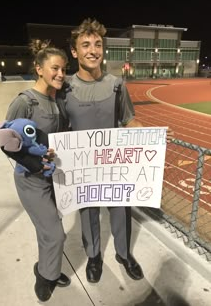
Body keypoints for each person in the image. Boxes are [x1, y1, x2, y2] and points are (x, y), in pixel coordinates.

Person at [56, 18, 174, 284]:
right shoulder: (64, 89)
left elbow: (129, 119)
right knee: (88, 214)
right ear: (74, 52)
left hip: (113, 165)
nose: (93, 50)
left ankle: (123, 254)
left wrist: (149, 139)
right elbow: (60, 128)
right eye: (85, 44)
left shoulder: (117, 84)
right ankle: (94, 256)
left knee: (121, 209)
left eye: (98, 44)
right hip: (83, 168)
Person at [4, 39, 70, 302]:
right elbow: (5, 141)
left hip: (51, 177)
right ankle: (45, 276)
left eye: (64, 69)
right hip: (31, 180)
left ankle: (48, 267)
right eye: (55, 68)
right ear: (39, 68)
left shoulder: (56, 100)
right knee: (54, 234)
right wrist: (35, 164)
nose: (61, 74)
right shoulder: (25, 102)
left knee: (50, 231)